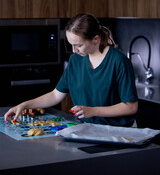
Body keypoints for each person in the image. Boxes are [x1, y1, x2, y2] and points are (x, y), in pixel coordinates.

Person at [4, 13, 138, 127]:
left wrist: (93, 111)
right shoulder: (75, 60)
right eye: (71, 45)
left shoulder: (118, 61)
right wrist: (24, 105)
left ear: (95, 39)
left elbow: (131, 107)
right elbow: (56, 95)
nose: (74, 50)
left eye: (78, 45)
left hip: (119, 133)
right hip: (88, 129)